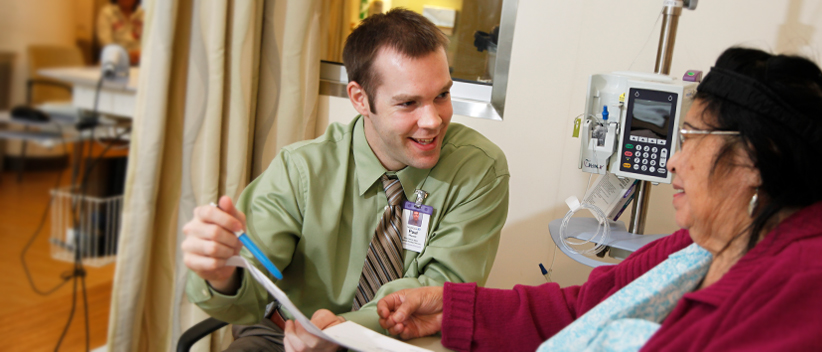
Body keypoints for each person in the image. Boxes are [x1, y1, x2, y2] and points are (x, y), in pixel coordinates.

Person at [378, 47, 822, 351]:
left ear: (756, 159)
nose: (672, 162)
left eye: (691, 139)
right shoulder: (696, 246)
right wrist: (454, 309)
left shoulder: (804, 284)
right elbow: (584, 309)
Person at [182, 8, 509, 352]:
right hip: (288, 337)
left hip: (407, 341)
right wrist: (223, 275)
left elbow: (443, 292)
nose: (432, 120)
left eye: (441, 95)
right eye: (408, 103)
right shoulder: (301, 171)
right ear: (360, 99)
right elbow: (246, 297)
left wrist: (344, 333)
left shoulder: (478, 170)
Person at [96, 0, 143, 64]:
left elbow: (150, 42)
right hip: (114, 62)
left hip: (140, 63)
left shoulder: (143, 13)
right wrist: (127, 56)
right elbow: (106, 43)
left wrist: (141, 54)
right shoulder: (107, 12)